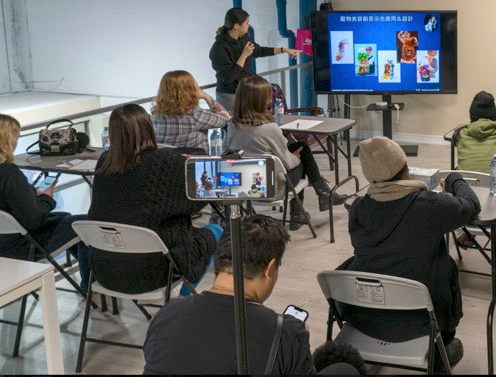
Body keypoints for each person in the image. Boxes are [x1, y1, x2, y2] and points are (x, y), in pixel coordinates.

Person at [345, 136, 481, 370]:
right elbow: (471, 206)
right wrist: (455, 180)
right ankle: (441, 347)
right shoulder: (429, 206)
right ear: (406, 168)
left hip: (366, 318)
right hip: (423, 323)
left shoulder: (358, 209)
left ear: (371, 177)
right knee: (446, 265)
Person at [143, 215, 315, 375]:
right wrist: (295, 338)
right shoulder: (287, 334)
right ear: (270, 268)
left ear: (220, 259)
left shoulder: (166, 314)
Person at [87, 104, 221, 295]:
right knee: (215, 230)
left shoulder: (105, 162)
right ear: (149, 128)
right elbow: (196, 203)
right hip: (153, 272)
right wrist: (187, 165)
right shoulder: (168, 163)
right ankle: (184, 294)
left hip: (105, 269)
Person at [225, 76, 345, 230]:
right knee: (301, 155)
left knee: (300, 146)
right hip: (272, 187)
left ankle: (319, 197)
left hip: (244, 184)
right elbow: (288, 162)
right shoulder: (269, 129)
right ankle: (304, 209)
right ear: (260, 100)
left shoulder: (232, 123)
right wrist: (296, 157)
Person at [0, 114, 87, 269]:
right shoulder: (9, 174)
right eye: (16, 137)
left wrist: (30, 195)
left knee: (65, 217)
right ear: (6, 139)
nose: (16, 142)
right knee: (82, 224)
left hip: (5, 243)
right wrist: (47, 197)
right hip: (22, 246)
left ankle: (85, 285)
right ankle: (88, 285)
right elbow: (35, 220)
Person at [209, 8, 301, 111]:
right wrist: (244, 56)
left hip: (248, 91)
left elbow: (259, 51)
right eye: (246, 23)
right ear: (236, 26)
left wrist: (284, 50)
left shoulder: (243, 38)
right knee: (234, 125)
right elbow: (228, 78)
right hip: (230, 95)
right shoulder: (219, 48)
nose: (248, 25)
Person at [151, 70, 230, 153]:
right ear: (190, 89)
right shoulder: (195, 115)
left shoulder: (154, 117)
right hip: (193, 163)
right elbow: (226, 120)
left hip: (168, 163)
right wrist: (206, 96)